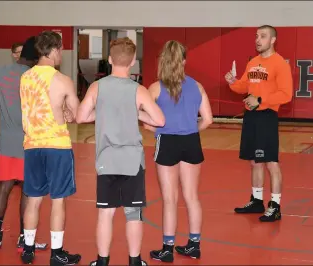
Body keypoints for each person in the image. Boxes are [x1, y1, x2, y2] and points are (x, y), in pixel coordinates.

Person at [76, 37, 165, 266]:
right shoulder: (138, 90)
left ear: (109, 59)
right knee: (133, 213)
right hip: (132, 161)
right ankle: (135, 261)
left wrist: (105, 111)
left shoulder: (97, 86)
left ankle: (102, 261)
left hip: (107, 160)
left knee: (106, 213)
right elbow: (159, 120)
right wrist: (136, 112)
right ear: (133, 61)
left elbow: (81, 116)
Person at [145, 40, 213, 262]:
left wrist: (160, 129)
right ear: (184, 61)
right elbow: (208, 120)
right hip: (191, 141)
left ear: (163, 60)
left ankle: (167, 249)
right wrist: (191, 129)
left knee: (170, 199)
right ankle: (194, 245)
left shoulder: (154, 88)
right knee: (192, 196)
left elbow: (145, 121)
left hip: (167, 141)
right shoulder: (198, 86)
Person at [19, 31, 81, 266]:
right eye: (61, 50)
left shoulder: (25, 78)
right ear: (55, 49)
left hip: (32, 145)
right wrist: (66, 111)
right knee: (58, 200)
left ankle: (28, 248)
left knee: (33, 199)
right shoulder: (63, 80)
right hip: (57, 146)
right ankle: (56, 253)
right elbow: (76, 115)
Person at [224, 25, 293, 222]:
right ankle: (256, 201)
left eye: (263, 36)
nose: (258, 39)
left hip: (266, 116)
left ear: (272, 40)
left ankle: (275, 205)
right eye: (256, 36)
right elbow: (244, 86)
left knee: (271, 162)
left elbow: (285, 94)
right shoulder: (253, 62)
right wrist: (232, 81)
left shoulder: (279, 63)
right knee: (255, 161)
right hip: (251, 116)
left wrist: (261, 100)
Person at [0, 36, 47, 252]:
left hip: (6, 140)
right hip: (27, 141)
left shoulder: (0, 71)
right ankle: (23, 237)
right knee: (27, 191)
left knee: (3, 187)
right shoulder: (33, 77)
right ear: (35, 58)